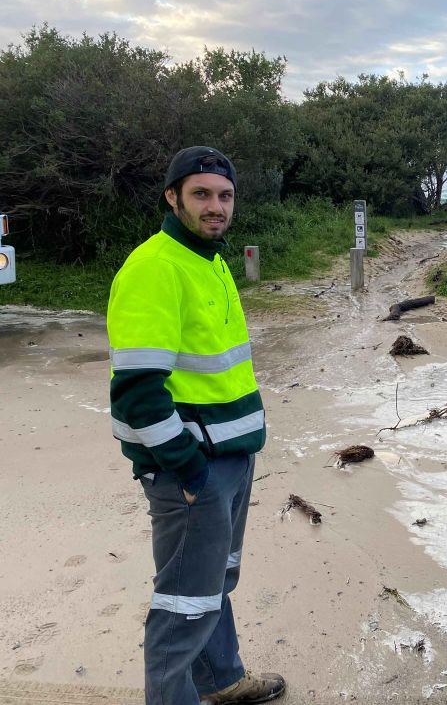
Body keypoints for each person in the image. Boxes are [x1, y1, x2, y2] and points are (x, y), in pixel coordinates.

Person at [107, 146, 285, 704]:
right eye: (201, 194)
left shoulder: (210, 258)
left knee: (212, 586)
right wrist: (186, 466)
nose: (216, 207)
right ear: (172, 197)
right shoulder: (154, 268)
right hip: (194, 469)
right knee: (183, 605)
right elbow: (138, 391)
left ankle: (222, 680)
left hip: (230, 459)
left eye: (224, 195)